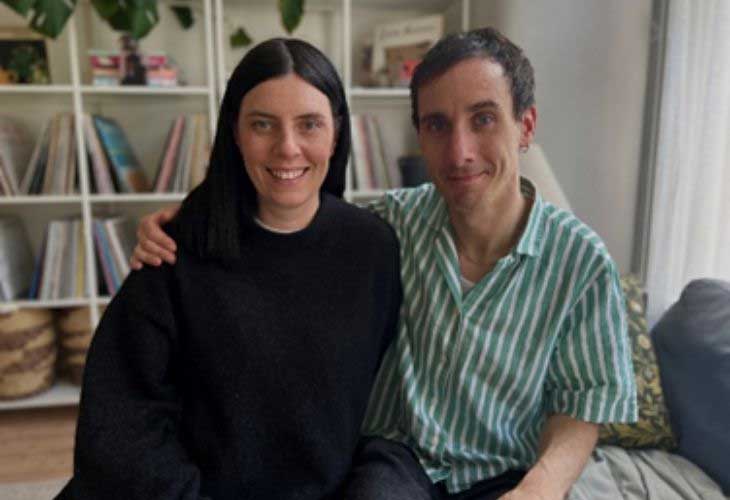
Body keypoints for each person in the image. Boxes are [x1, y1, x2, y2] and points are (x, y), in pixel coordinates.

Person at [133, 28, 637, 500]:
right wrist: (188, 220)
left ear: (525, 126)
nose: (459, 152)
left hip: (507, 469)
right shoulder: (388, 226)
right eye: (437, 125)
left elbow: (583, 401)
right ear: (420, 134)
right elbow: (294, 216)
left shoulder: (582, 262)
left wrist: (537, 489)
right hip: (397, 460)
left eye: (483, 119)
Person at [57, 38, 402, 500]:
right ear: (235, 133)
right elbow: (121, 422)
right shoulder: (172, 251)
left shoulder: (374, 248)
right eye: (263, 124)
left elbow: (379, 410)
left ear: (336, 132)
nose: (288, 148)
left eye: (310, 124)